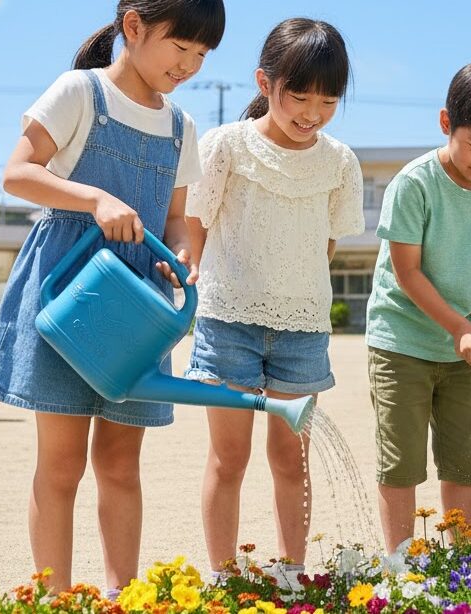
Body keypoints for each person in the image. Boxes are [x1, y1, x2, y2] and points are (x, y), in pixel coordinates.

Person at [0, 0, 224, 594]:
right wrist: (94, 199)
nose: (189, 65)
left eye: (202, 54)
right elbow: (17, 173)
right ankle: (55, 600)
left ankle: (122, 596)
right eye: (181, 47)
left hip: (138, 303)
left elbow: (175, 219)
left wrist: (183, 256)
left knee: (119, 462)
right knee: (61, 465)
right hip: (69, 295)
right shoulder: (79, 92)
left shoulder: (181, 126)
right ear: (133, 26)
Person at [183, 17, 364, 585]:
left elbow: (328, 243)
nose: (313, 112)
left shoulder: (339, 161)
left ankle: (292, 572)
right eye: (300, 96)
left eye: (328, 100)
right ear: (265, 83)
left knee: (291, 458)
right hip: (227, 321)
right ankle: (223, 575)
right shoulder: (226, 146)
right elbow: (197, 225)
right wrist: (198, 282)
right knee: (228, 457)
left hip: (302, 329)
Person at [365, 60, 471, 552]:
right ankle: (401, 567)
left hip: (464, 348)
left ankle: (465, 565)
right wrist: (460, 326)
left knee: (463, 462)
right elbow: (407, 273)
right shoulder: (414, 183)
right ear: (446, 123)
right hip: (401, 342)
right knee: (401, 463)